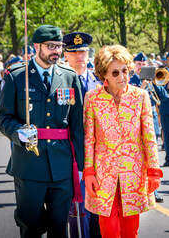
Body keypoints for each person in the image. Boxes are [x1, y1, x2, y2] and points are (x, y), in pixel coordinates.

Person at [0, 25, 84, 238]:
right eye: (51, 46)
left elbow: (77, 125)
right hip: (29, 164)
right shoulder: (17, 76)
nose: (57, 51)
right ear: (37, 46)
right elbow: (3, 117)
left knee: (59, 227)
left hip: (61, 165)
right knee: (30, 226)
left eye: (59, 46)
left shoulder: (69, 76)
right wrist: (18, 132)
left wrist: (81, 166)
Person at [83, 45, 162, 238]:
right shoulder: (92, 98)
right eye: (115, 72)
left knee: (130, 230)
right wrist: (89, 172)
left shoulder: (141, 96)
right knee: (108, 229)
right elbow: (89, 139)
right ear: (104, 75)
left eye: (125, 71)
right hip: (103, 173)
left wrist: (153, 171)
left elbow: (149, 137)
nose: (122, 76)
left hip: (134, 171)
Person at [62, 31, 102, 238]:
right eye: (74, 52)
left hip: (99, 153)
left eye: (83, 51)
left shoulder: (100, 80)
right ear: (65, 54)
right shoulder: (59, 81)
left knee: (100, 207)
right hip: (72, 152)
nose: (80, 56)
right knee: (77, 209)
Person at [129, 52, 167, 203]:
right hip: (137, 121)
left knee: (153, 157)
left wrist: (154, 83)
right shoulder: (131, 80)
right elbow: (131, 100)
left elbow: (162, 97)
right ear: (134, 65)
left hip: (151, 119)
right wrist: (143, 85)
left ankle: (154, 190)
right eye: (139, 64)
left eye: (144, 64)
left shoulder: (152, 80)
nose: (142, 67)